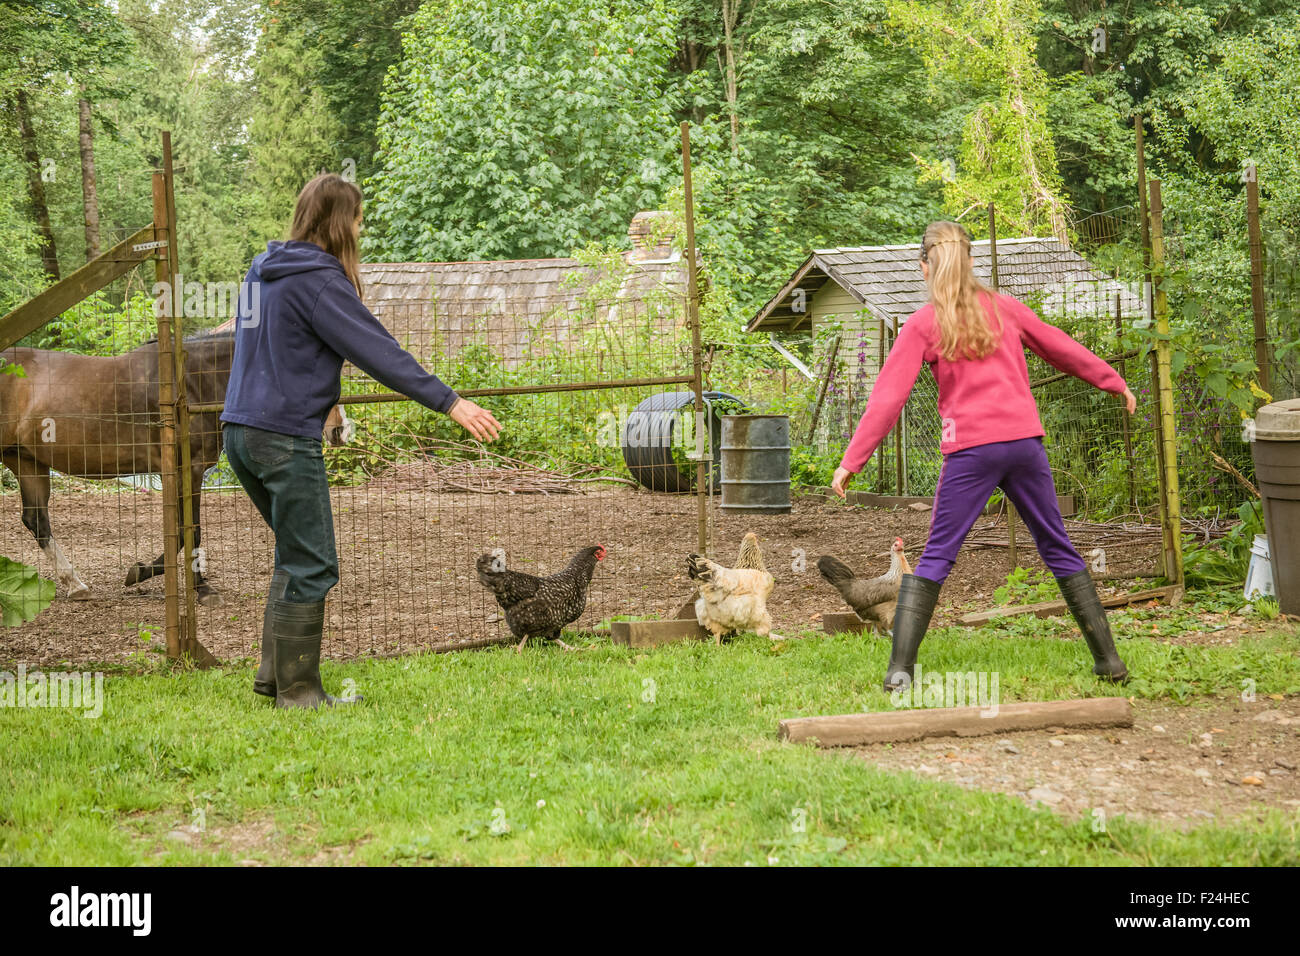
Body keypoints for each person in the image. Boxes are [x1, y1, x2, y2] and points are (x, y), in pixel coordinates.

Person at [221, 173, 501, 709]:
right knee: (314, 562)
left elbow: (275, 350)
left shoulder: (262, 272)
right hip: (283, 439)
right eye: (357, 219)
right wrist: (452, 402)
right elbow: (381, 353)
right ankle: (300, 693)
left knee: (293, 554)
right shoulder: (320, 281)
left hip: (240, 432)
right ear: (337, 223)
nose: (360, 228)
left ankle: (273, 678)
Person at [831, 221, 1135, 692]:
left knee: (935, 558)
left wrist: (853, 460)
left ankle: (900, 672)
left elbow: (889, 398)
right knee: (1057, 546)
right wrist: (1111, 380)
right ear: (971, 262)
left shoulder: (923, 323)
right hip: (1024, 445)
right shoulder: (1006, 309)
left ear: (924, 267)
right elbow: (1061, 348)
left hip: (972, 451)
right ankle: (1110, 663)